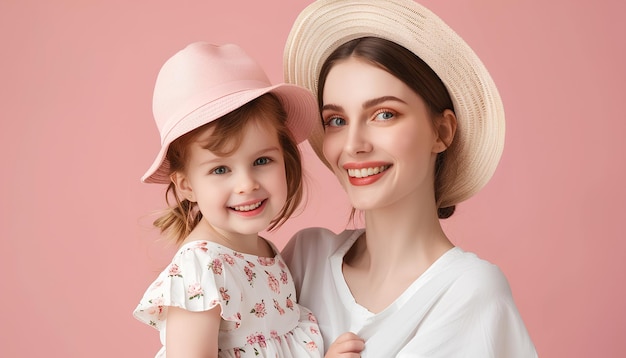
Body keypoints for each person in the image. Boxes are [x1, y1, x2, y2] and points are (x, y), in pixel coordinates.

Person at [282, 0, 538, 357]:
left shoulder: (469, 294)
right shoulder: (305, 260)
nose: (354, 145)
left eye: (384, 114)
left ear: (442, 131)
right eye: (336, 120)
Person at [133, 42, 324, 357]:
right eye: (221, 169)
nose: (246, 184)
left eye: (262, 161)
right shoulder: (201, 269)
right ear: (186, 186)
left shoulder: (262, 252)